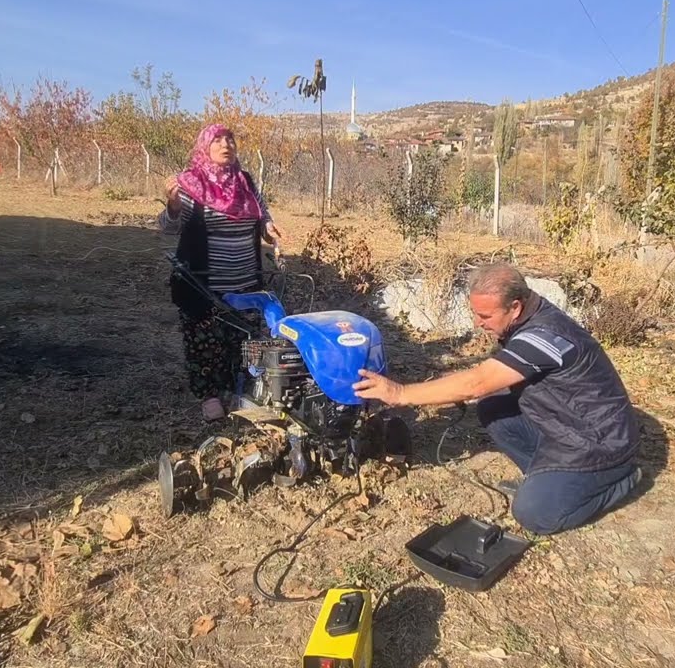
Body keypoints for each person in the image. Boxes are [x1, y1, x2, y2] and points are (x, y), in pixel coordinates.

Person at [353, 262, 644, 535]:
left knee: (533, 514)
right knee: (494, 408)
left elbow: (476, 382)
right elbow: (488, 380)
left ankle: (621, 479)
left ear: (515, 307)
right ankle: (545, 477)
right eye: (475, 313)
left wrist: (400, 393)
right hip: (566, 424)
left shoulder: (545, 336)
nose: (478, 323)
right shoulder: (530, 312)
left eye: (485, 316)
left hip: (599, 443)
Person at [159, 123, 283, 421]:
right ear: (205, 147)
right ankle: (210, 394)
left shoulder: (246, 182)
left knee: (244, 336)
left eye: (230, 139)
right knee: (206, 340)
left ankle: (242, 386)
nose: (226, 145)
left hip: (246, 280)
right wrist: (173, 206)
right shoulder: (191, 184)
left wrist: (269, 229)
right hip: (204, 284)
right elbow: (167, 227)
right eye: (218, 140)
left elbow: (261, 214)